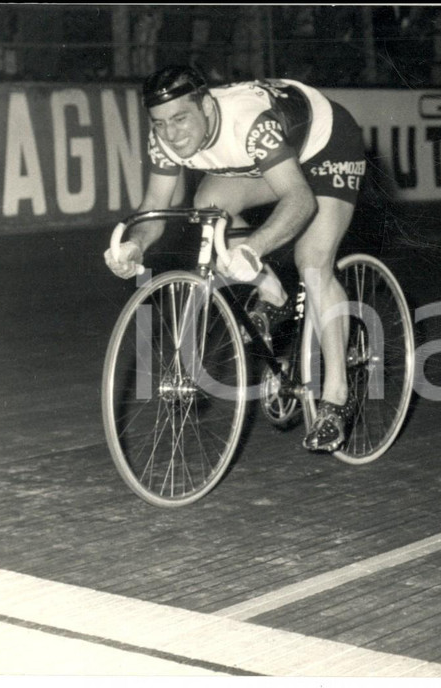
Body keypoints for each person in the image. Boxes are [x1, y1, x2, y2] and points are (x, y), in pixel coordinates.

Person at [104, 65, 367, 453]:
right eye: (160, 124)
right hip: (273, 157)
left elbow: (300, 199)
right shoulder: (164, 136)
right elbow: (156, 207)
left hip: (326, 146)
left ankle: (336, 400)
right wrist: (134, 247)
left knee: (312, 261)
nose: (172, 135)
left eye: (180, 119)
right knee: (209, 205)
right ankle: (272, 293)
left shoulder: (248, 123)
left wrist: (253, 248)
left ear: (207, 107)